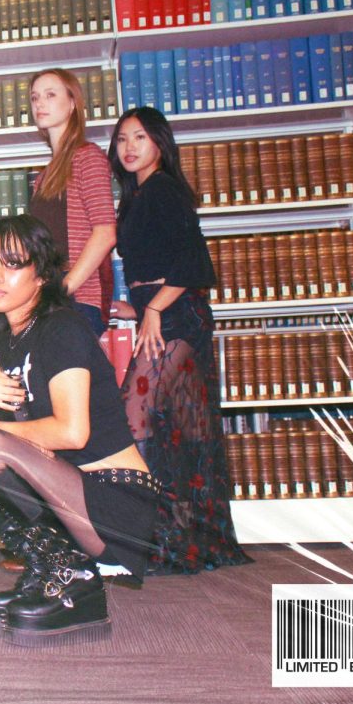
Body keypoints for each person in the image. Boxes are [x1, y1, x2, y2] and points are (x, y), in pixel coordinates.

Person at [0, 214, 157, 644]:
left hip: (115, 502)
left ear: (41, 275)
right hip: (66, 494)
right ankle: (54, 564)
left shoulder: (62, 329)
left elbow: (73, 433)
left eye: (12, 264)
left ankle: (74, 571)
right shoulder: (7, 343)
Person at [108, 106, 251, 574]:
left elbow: (194, 264)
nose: (129, 147)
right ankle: (183, 541)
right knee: (179, 431)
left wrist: (152, 308)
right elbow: (158, 265)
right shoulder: (137, 196)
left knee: (136, 415)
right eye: (123, 139)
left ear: (160, 144)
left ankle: (151, 539)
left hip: (177, 318)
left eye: (140, 138)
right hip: (169, 312)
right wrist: (137, 305)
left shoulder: (164, 189)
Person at [26, 68, 116, 336]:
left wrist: (63, 289)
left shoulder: (88, 157)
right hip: (50, 299)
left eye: (50, 95)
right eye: (34, 97)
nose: (40, 103)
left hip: (77, 299)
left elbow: (105, 233)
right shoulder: (43, 177)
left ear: (73, 103)